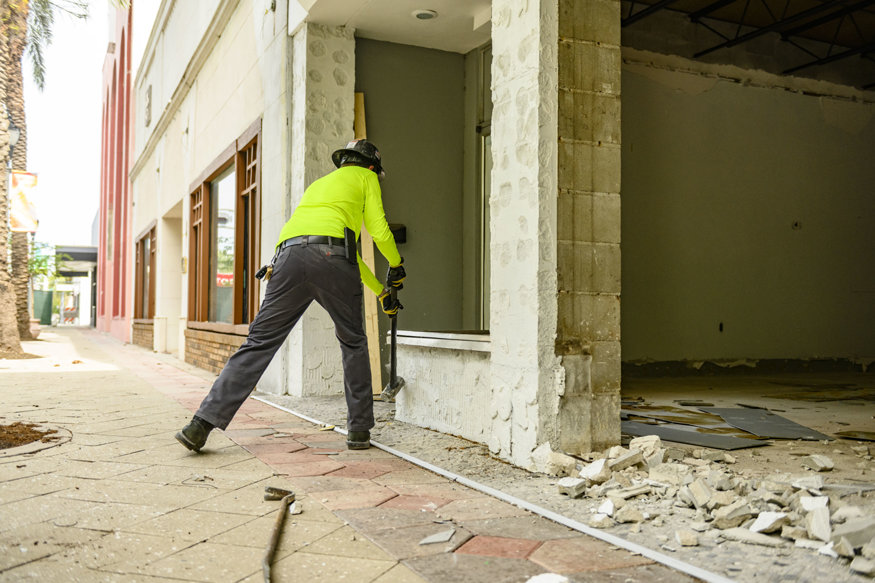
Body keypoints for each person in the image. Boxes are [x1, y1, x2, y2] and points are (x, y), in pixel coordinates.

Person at [175, 139, 406, 452]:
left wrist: (380, 292)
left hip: (287, 258)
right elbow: (374, 231)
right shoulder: (365, 177)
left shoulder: (319, 186)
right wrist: (395, 264)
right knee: (353, 341)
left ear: (343, 162)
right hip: (332, 257)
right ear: (370, 166)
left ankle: (200, 424)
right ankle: (359, 431)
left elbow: (339, 249)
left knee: (258, 342)